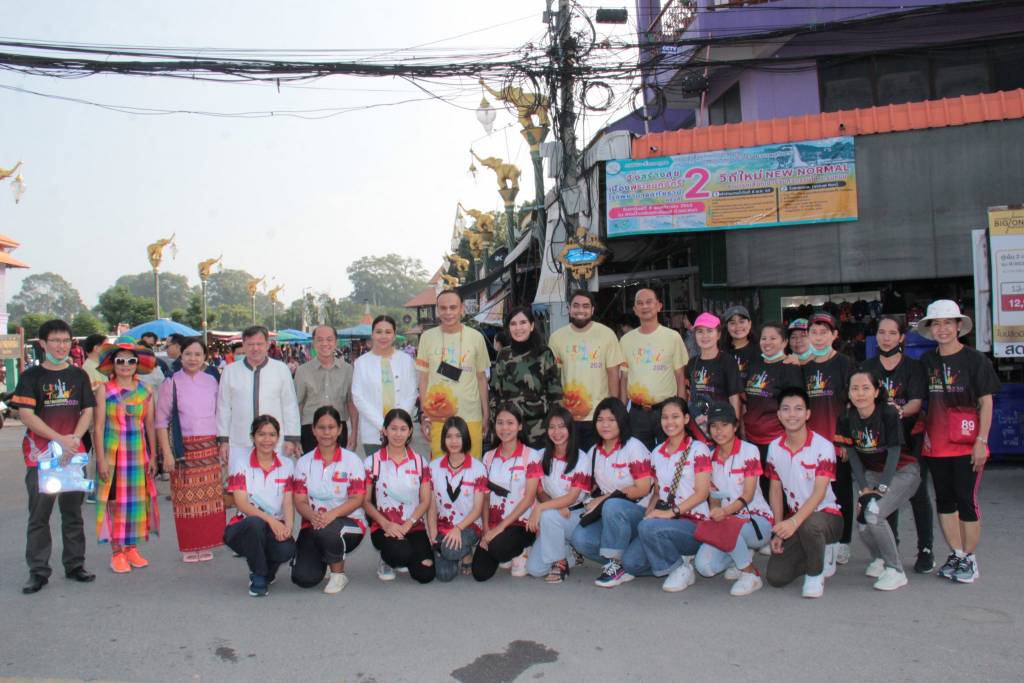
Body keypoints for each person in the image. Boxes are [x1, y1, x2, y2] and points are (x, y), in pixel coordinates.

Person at [917, 300, 1000, 584]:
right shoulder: (926, 361)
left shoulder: (975, 360)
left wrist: (982, 441)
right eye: (936, 324)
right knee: (944, 501)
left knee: (966, 500)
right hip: (935, 446)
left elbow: (986, 402)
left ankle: (970, 559)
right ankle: (956, 553)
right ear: (930, 329)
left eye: (948, 323)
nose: (942, 329)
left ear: (958, 326)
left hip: (967, 445)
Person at [12, 319, 97, 594]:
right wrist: (59, 438)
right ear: (43, 344)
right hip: (41, 457)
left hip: (73, 456)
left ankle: (75, 565)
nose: (61, 346)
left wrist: (74, 439)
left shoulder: (79, 376)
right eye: (55, 341)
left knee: (73, 514)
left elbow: (88, 410)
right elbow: (26, 415)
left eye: (65, 341)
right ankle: (38, 571)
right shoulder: (31, 377)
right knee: (39, 516)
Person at [861, 315, 935, 574]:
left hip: (911, 437)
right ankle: (889, 549)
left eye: (892, 333)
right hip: (880, 441)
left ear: (902, 337)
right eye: (882, 332)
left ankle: (926, 549)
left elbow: (916, 402)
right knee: (884, 492)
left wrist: (896, 412)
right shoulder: (867, 367)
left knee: (918, 493)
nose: (886, 338)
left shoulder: (913, 367)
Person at [835, 371, 919, 591]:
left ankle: (896, 570)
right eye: (855, 388)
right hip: (871, 473)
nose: (860, 393)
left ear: (876, 392)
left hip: (902, 472)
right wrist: (864, 487)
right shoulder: (845, 418)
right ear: (848, 393)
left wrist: (881, 489)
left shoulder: (888, 413)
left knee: (874, 513)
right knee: (863, 521)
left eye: (866, 388)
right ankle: (880, 558)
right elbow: (852, 456)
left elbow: (894, 452)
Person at [620, 398, 711, 592]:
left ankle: (679, 569)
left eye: (675, 417)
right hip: (664, 521)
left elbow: (702, 493)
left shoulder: (698, 449)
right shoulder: (656, 453)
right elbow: (657, 492)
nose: (670, 422)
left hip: (694, 522)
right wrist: (650, 511)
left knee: (649, 528)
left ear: (686, 419)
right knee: (630, 563)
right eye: (665, 417)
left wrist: (669, 514)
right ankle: (674, 557)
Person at [765, 387, 843, 598]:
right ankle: (816, 552)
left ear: (808, 414)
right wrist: (778, 529)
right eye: (786, 409)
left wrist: (793, 522)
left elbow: (819, 493)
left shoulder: (823, 447)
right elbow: (775, 490)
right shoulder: (774, 447)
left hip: (827, 516)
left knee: (810, 525)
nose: (792, 414)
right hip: (797, 520)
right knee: (776, 577)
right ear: (779, 414)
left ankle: (815, 575)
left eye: (798, 409)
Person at [569, 397, 654, 588]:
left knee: (613, 505)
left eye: (611, 420)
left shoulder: (633, 447)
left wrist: (604, 499)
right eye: (600, 420)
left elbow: (642, 488)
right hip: (610, 515)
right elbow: (588, 487)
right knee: (580, 539)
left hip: (639, 512)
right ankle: (622, 563)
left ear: (621, 421)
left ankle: (615, 563)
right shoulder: (594, 451)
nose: (605, 425)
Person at [93, 338, 161, 574]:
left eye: (130, 361)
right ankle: (116, 552)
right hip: (112, 455)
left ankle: (131, 548)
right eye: (120, 361)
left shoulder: (146, 390)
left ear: (137, 364)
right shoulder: (104, 390)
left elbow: (150, 425)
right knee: (114, 504)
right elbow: (98, 428)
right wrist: (100, 460)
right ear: (112, 364)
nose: (125, 365)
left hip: (138, 455)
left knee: (136, 502)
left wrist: (154, 456)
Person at [155, 337, 224, 563]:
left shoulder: (212, 380)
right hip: (183, 449)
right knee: (186, 501)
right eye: (188, 354)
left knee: (210, 499)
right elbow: (161, 421)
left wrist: (223, 444)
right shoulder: (171, 382)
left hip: (209, 447)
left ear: (204, 357)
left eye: (197, 354)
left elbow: (221, 413)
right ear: (181, 356)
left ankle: (207, 543)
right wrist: (167, 453)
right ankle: (189, 546)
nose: (193, 359)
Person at [694, 403, 773, 597]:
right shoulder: (710, 457)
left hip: (757, 521)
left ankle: (750, 573)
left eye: (724, 425)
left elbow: (748, 494)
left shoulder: (749, 451)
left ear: (735, 426)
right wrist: (715, 510)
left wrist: (724, 513)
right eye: (714, 426)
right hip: (727, 521)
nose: (718, 431)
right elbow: (714, 497)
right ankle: (741, 555)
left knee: (728, 527)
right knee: (705, 567)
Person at [291, 406, 367, 594]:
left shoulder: (352, 461)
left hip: (350, 523)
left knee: (329, 530)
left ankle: (338, 574)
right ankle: (326, 558)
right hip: (314, 523)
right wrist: (312, 515)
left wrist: (331, 515)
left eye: (331, 427)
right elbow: (300, 501)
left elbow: (357, 498)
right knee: (303, 578)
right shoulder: (304, 462)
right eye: (321, 427)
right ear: (313, 430)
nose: (326, 432)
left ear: (340, 429)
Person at [223, 415, 296, 597]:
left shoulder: (287, 465)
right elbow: (242, 503)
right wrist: (272, 521)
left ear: (278, 437)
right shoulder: (241, 464)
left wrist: (288, 528)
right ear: (253, 437)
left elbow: (288, 502)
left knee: (287, 549)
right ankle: (259, 575)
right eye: (261, 434)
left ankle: (266, 571)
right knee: (255, 524)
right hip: (244, 526)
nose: (266, 440)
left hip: (274, 526)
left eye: (272, 434)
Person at [802, 311, 854, 564]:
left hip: (837, 441)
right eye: (814, 332)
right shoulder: (805, 366)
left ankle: (843, 541)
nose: (819, 337)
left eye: (824, 332)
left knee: (842, 492)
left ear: (834, 335)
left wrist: (844, 439)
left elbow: (853, 404)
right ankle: (817, 538)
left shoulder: (845, 363)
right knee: (814, 491)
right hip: (812, 442)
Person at [363, 408, 435, 583]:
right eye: (393, 428)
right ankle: (388, 559)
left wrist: (409, 523)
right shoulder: (372, 462)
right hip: (384, 527)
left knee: (426, 574)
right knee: (400, 554)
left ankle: (407, 553)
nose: (398, 434)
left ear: (410, 431)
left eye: (403, 429)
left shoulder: (420, 462)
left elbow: (425, 501)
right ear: (384, 430)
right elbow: (365, 502)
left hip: (413, 526)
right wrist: (386, 524)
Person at [416, 290, 491, 458]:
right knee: (440, 467)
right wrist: (423, 414)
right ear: (437, 310)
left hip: (471, 415)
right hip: (438, 416)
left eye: (453, 307)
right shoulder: (427, 338)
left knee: (473, 466)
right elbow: (423, 379)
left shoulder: (476, 337)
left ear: (462, 309)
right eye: (443, 308)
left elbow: (481, 378)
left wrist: (486, 413)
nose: (448, 312)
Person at [472, 404, 542, 581]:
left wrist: (499, 529)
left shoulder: (531, 456)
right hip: (494, 523)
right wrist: (486, 528)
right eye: (500, 423)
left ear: (520, 426)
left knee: (498, 548)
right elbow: (486, 496)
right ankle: (505, 550)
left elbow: (529, 498)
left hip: (521, 524)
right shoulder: (488, 457)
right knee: (480, 573)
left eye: (510, 423)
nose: (504, 428)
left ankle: (523, 550)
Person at [548, 290, 624, 453]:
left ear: (592, 310)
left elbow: (613, 373)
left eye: (585, 306)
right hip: (568, 416)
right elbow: (554, 377)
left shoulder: (606, 334)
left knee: (597, 460)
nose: (580, 310)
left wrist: (613, 409)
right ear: (569, 309)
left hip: (599, 415)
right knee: (571, 460)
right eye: (576, 306)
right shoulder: (556, 338)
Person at [217, 326, 302, 471]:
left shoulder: (281, 369)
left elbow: (290, 405)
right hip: (240, 441)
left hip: (275, 442)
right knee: (241, 482)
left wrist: (291, 438)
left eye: (259, 344)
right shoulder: (230, 371)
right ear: (243, 345)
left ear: (267, 344)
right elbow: (223, 407)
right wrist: (223, 440)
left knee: (275, 481)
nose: (255, 348)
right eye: (250, 344)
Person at [525, 405, 592, 582]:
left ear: (570, 429)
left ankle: (559, 563)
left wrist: (542, 508)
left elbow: (572, 498)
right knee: (534, 569)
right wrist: (554, 507)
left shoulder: (582, 458)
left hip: (574, 514)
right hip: (555, 514)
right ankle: (570, 553)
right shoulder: (540, 455)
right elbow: (539, 490)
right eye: (552, 427)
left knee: (547, 515)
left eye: (562, 426)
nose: (557, 432)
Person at [619, 289, 688, 449]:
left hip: (667, 411)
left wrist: (682, 410)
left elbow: (680, 376)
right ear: (635, 309)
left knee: (671, 454)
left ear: (659, 306)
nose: (645, 306)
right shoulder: (626, 341)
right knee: (638, 457)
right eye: (640, 303)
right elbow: (624, 379)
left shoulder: (673, 337)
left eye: (649, 302)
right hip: (637, 413)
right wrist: (622, 411)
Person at [743, 322, 804, 497]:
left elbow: (796, 405)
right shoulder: (755, 364)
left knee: (778, 489)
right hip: (752, 438)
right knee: (759, 489)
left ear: (784, 342)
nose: (767, 342)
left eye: (773, 338)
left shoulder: (790, 367)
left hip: (777, 439)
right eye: (764, 338)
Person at [489, 306, 563, 447]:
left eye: (523, 322)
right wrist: (496, 425)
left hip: (539, 431)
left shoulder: (544, 353)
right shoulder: (503, 355)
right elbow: (494, 393)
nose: (518, 328)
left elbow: (556, 395)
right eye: (513, 324)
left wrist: (555, 428)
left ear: (532, 326)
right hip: (509, 431)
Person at [427, 416, 487, 582]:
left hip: (469, 526)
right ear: (443, 439)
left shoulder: (478, 468)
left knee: (449, 550)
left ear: (465, 438)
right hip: (443, 527)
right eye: (449, 436)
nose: (453, 441)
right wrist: (433, 536)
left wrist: (458, 529)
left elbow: (477, 510)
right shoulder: (433, 467)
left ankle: (465, 552)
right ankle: (456, 553)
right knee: (444, 575)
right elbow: (431, 506)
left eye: (458, 436)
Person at [352, 315, 418, 456]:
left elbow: (412, 393)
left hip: (401, 432)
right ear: (372, 334)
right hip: (372, 430)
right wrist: (383, 424)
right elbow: (358, 397)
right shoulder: (361, 363)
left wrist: (398, 424)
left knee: (400, 468)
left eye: (388, 332)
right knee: (375, 467)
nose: (383, 336)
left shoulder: (406, 361)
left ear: (394, 335)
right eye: (379, 332)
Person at [294, 325, 357, 453]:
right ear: (313, 343)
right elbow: (298, 405)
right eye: (320, 340)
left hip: (338, 429)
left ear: (336, 342)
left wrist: (354, 433)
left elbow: (351, 403)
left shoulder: (347, 370)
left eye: (329, 339)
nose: (325, 343)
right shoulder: (302, 371)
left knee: (339, 465)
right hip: (310, 429)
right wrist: (295, 437)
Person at [684, 312, 743, 442]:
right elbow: (689, 395)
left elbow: (734, 397)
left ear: (718, 334)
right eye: (700, 331)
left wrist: (734, 427)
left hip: (722, 426)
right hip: (698, 427)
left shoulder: (727, 361)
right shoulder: (692, 363)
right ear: (694, 335)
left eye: (709, 331)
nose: (704, 336)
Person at [723, 305, 758, 385]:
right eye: (732, 323)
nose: (738, 326)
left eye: (741, 322)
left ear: (749, 324)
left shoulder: (761, 350)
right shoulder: (720, 352)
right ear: (727, 326)